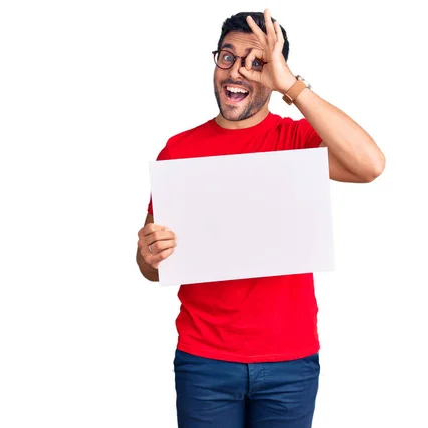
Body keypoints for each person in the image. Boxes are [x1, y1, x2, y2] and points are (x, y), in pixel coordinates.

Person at [136, 9, 385, 428]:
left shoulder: (296, 141)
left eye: (257, 63)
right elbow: (150, 266)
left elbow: (370, 165)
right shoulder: (179, 150)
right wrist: (148, 255)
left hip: (290, 362)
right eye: (227, 57)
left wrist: (292, 86)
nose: (237, 72)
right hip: (205, 361)